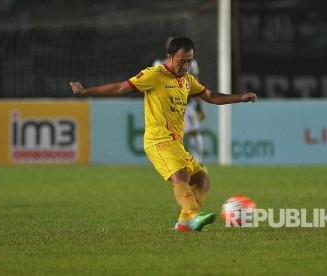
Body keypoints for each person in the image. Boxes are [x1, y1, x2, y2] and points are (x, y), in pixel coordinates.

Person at [70, 36, 257, 232]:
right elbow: (120, 87)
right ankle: (194, 215)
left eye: (189, 61)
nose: (186, 66)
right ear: (169, 57)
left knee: (202, 179)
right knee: (181, 177)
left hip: (176, 143)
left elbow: (210, 96)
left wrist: (240, 97)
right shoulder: (154, 75)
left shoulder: (187, 80)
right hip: (157, 140)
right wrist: (86, 91)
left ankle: (184, 223)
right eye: (181, 61)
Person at [154, 36, 206, 166]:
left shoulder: (191, 64)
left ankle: (198, 160)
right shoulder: (160, 64)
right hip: (168, 107)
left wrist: (200, 105)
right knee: (170, 138)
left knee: (194, 132)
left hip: (186, 105)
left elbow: (197, 84)